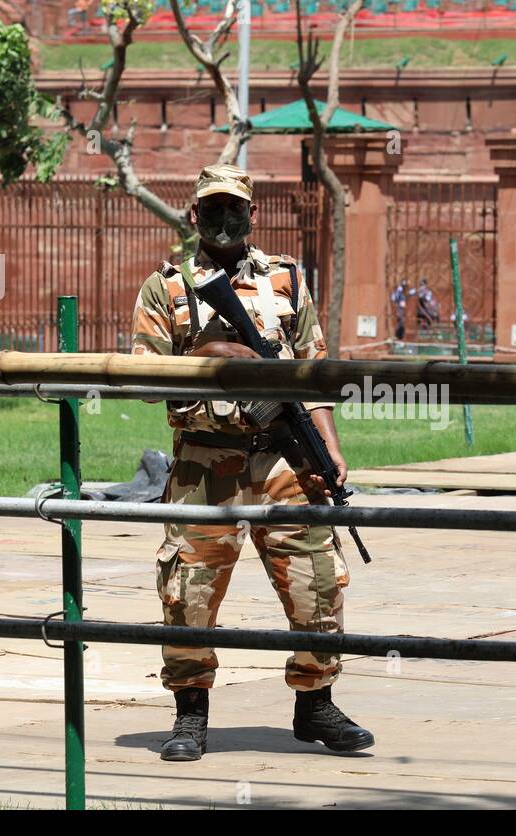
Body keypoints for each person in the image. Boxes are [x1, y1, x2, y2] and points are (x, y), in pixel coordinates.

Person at [130, 163, 375, 762]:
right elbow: (142, 377)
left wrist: (330, 450)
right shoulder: (166, 287)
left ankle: (315, 704)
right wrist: (210, 353)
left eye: (233, 207)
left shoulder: (287, 279)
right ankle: (190, 714)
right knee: (188, 592)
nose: (222, 217)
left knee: (318, 579)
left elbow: (314, 372)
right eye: (211, 208)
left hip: (283, 462)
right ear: (193, 216)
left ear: (252, 213)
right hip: (203, 465)